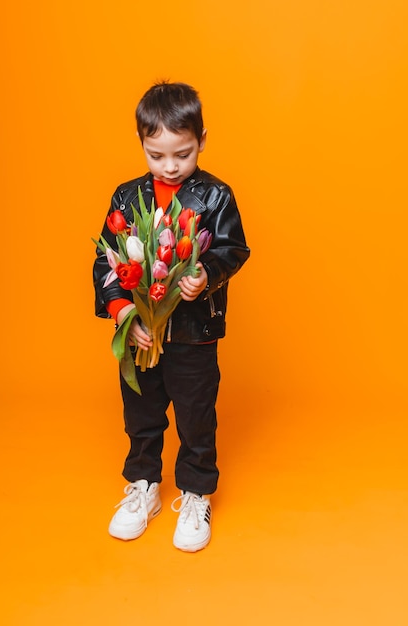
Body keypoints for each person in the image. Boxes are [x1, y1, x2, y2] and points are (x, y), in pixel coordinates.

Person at [93, 81, 250, 552]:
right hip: (142, 334)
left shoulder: (216, 196)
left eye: (182, 154)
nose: (170, 166)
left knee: (195, 414)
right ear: (142, 142)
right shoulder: (126, 198)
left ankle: (196, 491)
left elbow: (232, 248)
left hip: (193, 334)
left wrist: (207, 275)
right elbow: (107, 261)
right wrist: (125, 313)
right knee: (141, 411)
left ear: (202, 140)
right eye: (156, 154)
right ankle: (143, 486)